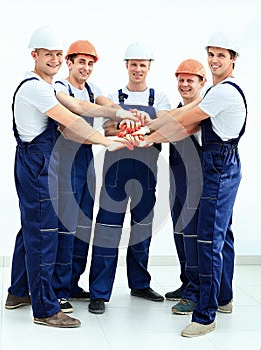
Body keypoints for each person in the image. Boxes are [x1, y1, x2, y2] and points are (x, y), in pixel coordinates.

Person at [5, 26, 140, 328]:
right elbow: (72, 122)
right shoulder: (37, 88)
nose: (53, 59)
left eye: (56, 54)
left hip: (40, 163)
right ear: (34, 55)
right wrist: (108, 141)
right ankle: (45, 308)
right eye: (48, 54)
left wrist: (120, 114)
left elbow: (80, 106)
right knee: (44, 235)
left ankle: (18, 292)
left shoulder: (47, 87)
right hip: (38, 165)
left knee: (33, 230)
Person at [145, 32, 247, 337]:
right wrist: (148, 126)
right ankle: (223, 298)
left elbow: (183, 121)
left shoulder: (223, 93)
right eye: (211, 54)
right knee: (222, 235)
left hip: (218, 169)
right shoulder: (216, 92)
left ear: (233, 60)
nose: (215, 60)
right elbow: (181, 115)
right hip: (222, 165)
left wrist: (143, 135)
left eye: (221, 55)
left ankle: (205, 316)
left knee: (208, 240)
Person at [88, 41, 171, 314]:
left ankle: (140, 284)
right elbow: (109, 126)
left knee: (142, 230)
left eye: (142, 65)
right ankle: (99, 293)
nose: (138, 69)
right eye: (133, 64)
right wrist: (125, 124)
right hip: (116, 172)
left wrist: (144, 126)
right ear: (126, 66)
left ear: (149, 68)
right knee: (107, 230)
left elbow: (166, 122)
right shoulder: (114, 95)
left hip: (147, 173)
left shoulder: (158, 99)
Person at [51, 40, 123, 313]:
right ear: (68, 62)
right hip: (66, 159)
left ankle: (71, 283)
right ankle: (57, 290)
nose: (86, 67)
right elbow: (82, 110)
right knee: (66, 225)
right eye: (81, 61)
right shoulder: (60, 88)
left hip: (87, 159)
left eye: (91, 63)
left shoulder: (93, 89)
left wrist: (125, 116)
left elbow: (106, 105)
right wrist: (115, 113)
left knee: (83, 225)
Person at [165, 59, 206, 315]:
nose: (184, 85)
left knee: (192, 237)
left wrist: (145, 133)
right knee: (180, 235)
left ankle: (194, 293)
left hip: (195, 184)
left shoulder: (202, 110)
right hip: (176, 183)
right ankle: (186, 283)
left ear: (201, 83)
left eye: (190, 80)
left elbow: (176, 131)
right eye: (181, 80)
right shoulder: (177, 109)